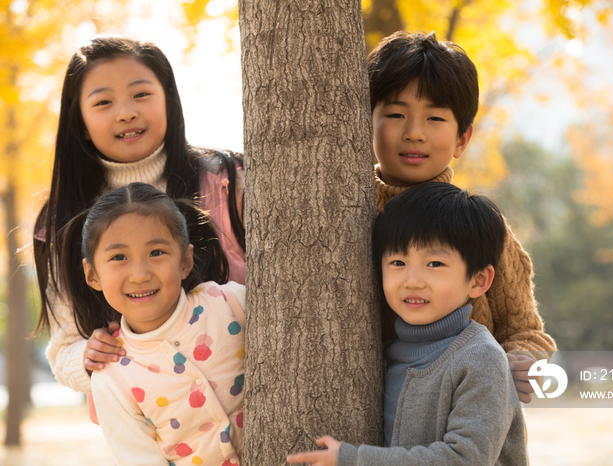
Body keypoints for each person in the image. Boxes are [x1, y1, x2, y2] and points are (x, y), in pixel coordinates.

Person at [32, 36, 245, 396]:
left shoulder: (226, 181)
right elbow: (63, 346)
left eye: (141, 94)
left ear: (169, 102)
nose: (126, 112)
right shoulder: (62, 222)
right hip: (148, 427)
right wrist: (88, 355)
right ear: (80, 122)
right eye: (103, 102)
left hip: (250, 406)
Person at [367, 31, 556, 402]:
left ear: (462, 138)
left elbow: (527, 330)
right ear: (365, 123)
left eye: (435, 118)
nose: (415, 133)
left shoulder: (475, 226)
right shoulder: (348, 211)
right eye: (395, 114)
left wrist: (522, 364)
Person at [287, 182, 527, 465]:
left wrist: (355, 460)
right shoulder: (385, 355)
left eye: (435, 264)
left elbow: (464, 459)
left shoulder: (481, 358)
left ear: (478, 280)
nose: (412, 281)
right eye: (398, 262)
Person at [59, 182, 245, 466]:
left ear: (185, 261)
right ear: (92, 274)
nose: (140, 274)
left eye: (156, 252)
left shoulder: (230, 304)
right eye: (118, 257)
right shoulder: (113, 379)